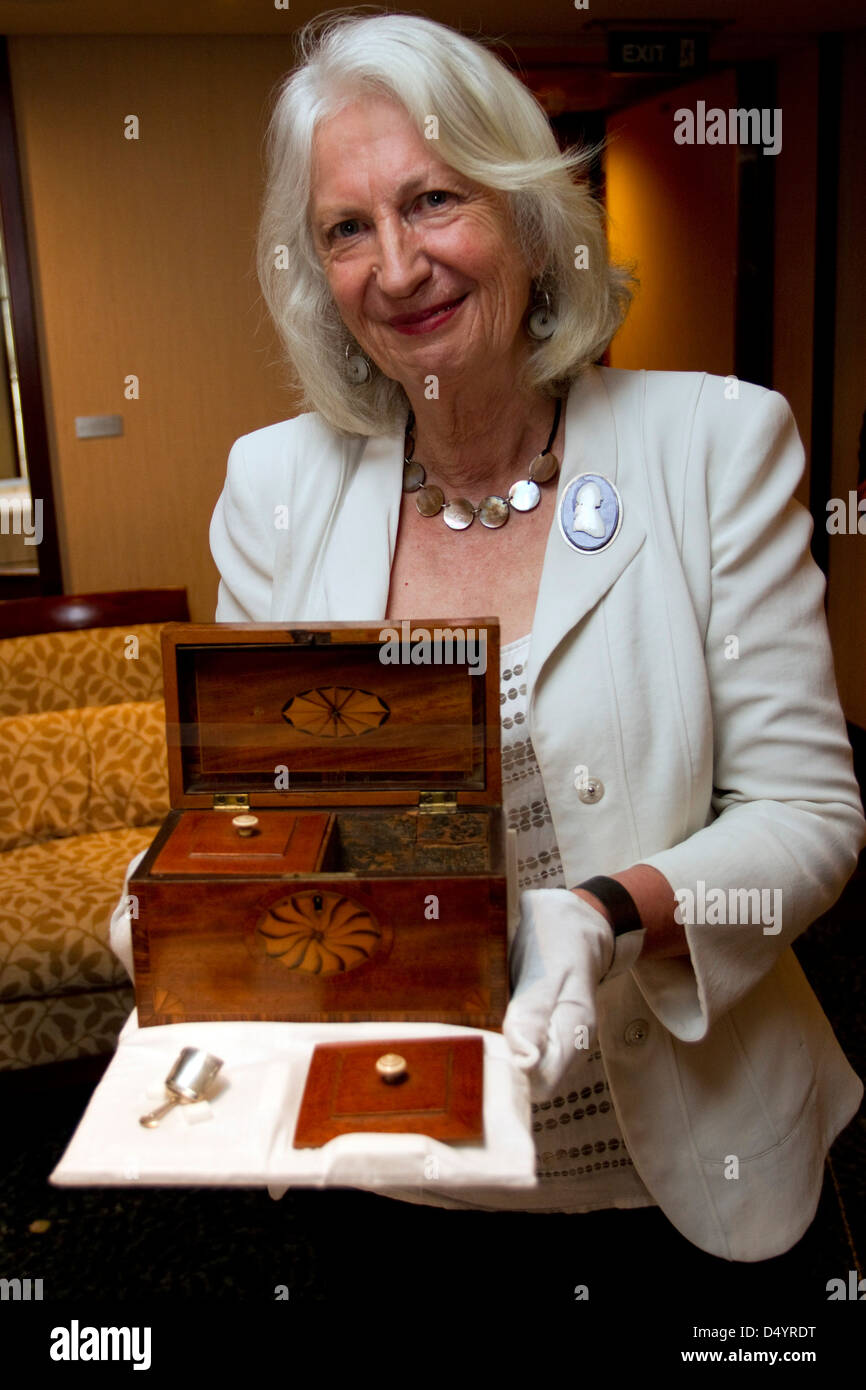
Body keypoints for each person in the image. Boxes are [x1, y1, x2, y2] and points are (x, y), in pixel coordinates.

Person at [123, 11, 866, 1273]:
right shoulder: (271, 486)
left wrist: (602, 916)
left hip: (679, 1185)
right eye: (345, 230)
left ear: (527, 218)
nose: (396, 267)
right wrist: (182, 892)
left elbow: (805, 814)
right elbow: (266, 803)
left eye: (432, 201)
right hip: (391, 1166)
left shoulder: (711, 445)